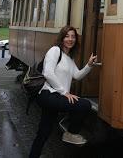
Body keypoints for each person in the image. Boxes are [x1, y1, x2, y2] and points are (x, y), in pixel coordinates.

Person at [29, 25, 97, 158]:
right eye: (67, 36)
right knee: (84, 105)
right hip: (48, 94)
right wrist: (64, 92)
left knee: (44, 132)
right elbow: (48, 73)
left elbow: (77, 75)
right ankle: (70, 133)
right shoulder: (55, 51)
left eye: (73, 37)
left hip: (55, 97)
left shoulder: (69, 58)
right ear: (62, 38)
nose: (70, 39)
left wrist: (89, 65)